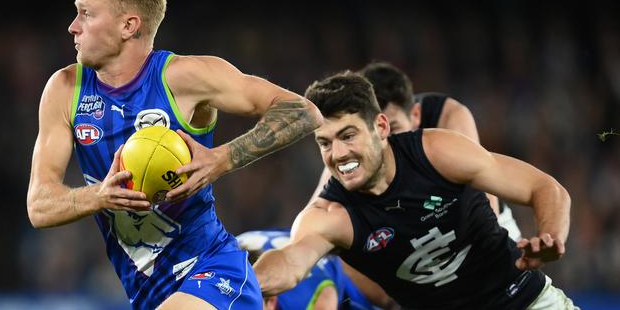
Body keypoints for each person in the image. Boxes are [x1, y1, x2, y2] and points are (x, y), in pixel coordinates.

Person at [26, 0, 322, 310]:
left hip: (215, 271)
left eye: (86, 14)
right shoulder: (65, 90)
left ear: (128, 25)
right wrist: (100, 196)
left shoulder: (185, 77)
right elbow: (39, 206)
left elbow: (303, 111)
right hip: (147, 293)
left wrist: (222, 159)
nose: (73, 26)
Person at [255, 72, 578, 309]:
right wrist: (247, 285)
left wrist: (551, 235)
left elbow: (544, 187)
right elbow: (291, 260)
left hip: (526, 301)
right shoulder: (329, 215)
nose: (337, 155)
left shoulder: (437, 153)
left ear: (381, 128)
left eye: (348, 135)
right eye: (325, 143)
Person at [309, 61, 521, 241]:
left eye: (395, 128)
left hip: (480, 230)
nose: (385, 143)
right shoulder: (351, 155)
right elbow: (318, 206)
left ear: (416, 115)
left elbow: (482, 187)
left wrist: (495, 244)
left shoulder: (448, 117)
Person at [237, 229, 381, 310]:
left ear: (271, 301)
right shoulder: (221, 275)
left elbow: (326, 296)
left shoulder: (303, 298)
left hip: (346, 275)